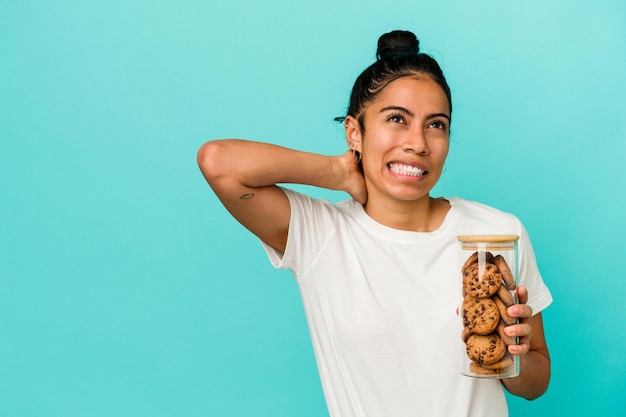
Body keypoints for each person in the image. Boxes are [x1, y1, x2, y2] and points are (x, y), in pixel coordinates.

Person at [197, 30, 552, 416]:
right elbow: (218, 162)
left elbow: (536, 382)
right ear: (354, 132)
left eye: (436, 125)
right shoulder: (322, 235)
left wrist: (511, 355)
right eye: (397, 119)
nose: (418, 143)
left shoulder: (495, 232)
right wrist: (338, 170)